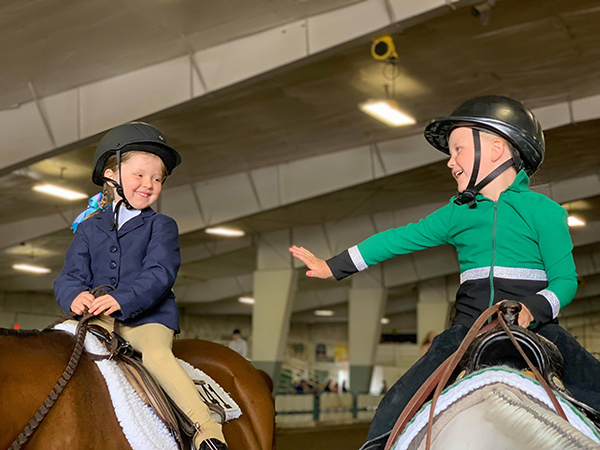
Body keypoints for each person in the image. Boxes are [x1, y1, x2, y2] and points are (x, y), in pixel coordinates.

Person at [289, 96, 600, 450]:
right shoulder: (456, 214)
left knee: (594, 382)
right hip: (467, 330)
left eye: (458, 150)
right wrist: (334, 265)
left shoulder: (546, 212)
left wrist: (533, 308)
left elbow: (565, 281)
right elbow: (398, 239)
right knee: (396, 403)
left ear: (496, 149)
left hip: (538, 327)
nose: (450, 162)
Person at [54, 122, 227, 450]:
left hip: (147, 318)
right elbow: (70, 275)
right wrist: (73, 296)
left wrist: (121, 300)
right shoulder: (89, 230)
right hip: (97, 318)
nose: (149, 184)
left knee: (157, 357)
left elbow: (160, 274)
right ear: (111, 174)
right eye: (139, 175)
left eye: (157, 178)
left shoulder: (161, 226)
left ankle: (207, 431)